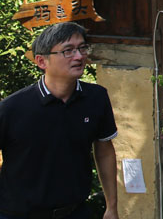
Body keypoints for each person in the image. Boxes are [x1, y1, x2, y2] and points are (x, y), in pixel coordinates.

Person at [0, 21, 120, 219]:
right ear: (41, 61)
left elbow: (104, 150)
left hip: (75, 212)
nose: (79, 56)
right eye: (68, 51)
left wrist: (111, 207)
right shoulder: (12, 108)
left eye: (82, 48)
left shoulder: (96, 98)